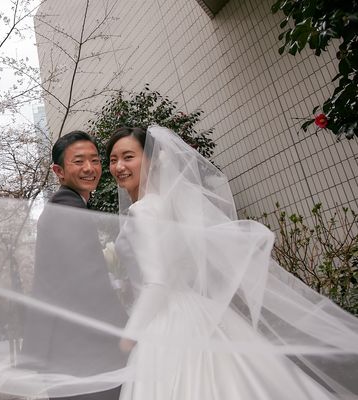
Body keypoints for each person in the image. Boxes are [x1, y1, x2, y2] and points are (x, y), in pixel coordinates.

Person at [107, 126, 358, 399]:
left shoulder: (143, 211)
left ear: (152, 161)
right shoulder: (165, 206)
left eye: (128, 157)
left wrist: (131, 334)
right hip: (196, 313)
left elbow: (157, 282)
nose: (119, 166)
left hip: (168, 321)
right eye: (113, 159)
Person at [21, 130, 128, 400]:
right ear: (58, 171)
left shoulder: (65, 206)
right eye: (78, 161)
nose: (89, 168)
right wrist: (126, 329)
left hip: (69, 352)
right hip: (83, 354)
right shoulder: (67, 209)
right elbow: (89, 282)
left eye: (95, 160)